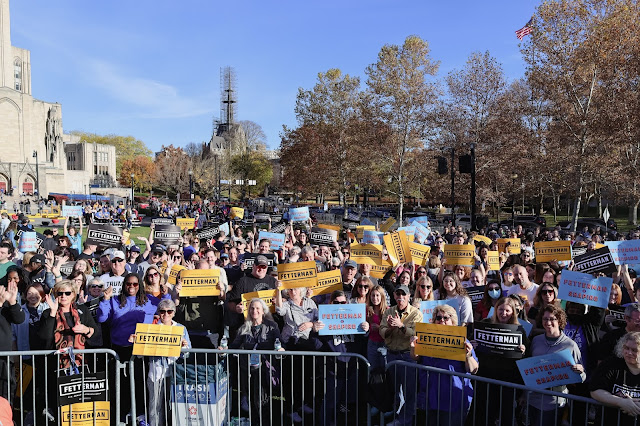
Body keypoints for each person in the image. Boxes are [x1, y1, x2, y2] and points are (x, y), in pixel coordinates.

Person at [410, 304, 478, 426]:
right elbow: (417, 358)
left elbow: (473, 370)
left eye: (446, 318)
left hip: (454, 397)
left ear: (453, 321)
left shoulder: (462, 341)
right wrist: (413, 348)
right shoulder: (426, 338)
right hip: (430, 394)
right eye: (438, 318)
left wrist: (468, 356)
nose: (442, 320)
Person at [315, 290, 370, 425]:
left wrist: (366, 329)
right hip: (332, 369)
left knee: (348, 402)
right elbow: (317, 346)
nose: (339, 305)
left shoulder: (353, 317)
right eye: (336, 302)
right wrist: (315, 332)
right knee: (331, 401)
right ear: (331, 303)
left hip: (351, 367)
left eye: (343, 302)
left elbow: (362, 340)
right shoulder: (324, 320)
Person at [472, 296, 528, 426]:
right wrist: (473, 344)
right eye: (501, 310)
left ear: (513, 312)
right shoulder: (485, 324)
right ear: (496, 310)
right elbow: (471, 346)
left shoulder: (519, 330)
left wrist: (523, 350)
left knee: (506, 414)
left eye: (507, 310)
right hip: (486, 377)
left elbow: (527, 355)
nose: (504, 313)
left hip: (508, 380)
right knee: (485, 413)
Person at [226, 298, 284, 423]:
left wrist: (280, 350)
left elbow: (279, 344)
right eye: (252, 308)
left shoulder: (272, 326)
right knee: (251, 399)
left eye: (258, 308)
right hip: (248, 369)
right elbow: (234, 346)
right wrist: (224, 348)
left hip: (265, 369)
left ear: (263, 311)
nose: (254, 311)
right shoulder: (244, 328)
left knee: (262, 400)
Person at [528, 305, 586, 425]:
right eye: (545, 319)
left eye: (552, 319)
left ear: (559, 321)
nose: (548, 322)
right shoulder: (536, 340)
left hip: (555, 401)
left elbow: (582, 377)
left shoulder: (570, 345)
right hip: (533, 398)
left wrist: (580, 371)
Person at [274, 283, 319, 422]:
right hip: (291, 344)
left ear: (301, 289)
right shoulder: (287, 304)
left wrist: (310, 324)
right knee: (291, 378)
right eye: (290, 289)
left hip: (307, 343)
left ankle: (302, 405)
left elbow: (318, 318)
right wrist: (278, 289)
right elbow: (279, 311)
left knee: (306, 376)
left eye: (295, 288)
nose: (292, 291)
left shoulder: (310, 302)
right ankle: (290, 409)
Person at [380, 284, 423, 425]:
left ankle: (405, 420)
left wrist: (401, 326)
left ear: (409, 296)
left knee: (409, 391)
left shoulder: (416, 313)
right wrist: (391, 329)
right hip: (392, 355)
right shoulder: (389, 311)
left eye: (403, 295)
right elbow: (382, 331)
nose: (400, 298)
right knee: (394, 389)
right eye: (398, 295)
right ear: (394, 296)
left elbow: (416, 333)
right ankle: (395, 414)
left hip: (407, 356)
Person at [143, 299, 190, 426]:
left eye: (169, 311)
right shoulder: (151, 329)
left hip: (175, 372)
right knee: (155, 406)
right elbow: (142, 350)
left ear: (174, 313)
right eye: (163, 311)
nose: (166, 314)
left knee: (175, 405)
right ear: (159, 313)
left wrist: (184, 347)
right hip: (156, 371)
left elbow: (189, 352)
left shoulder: (181, 328)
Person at [591, 331, 640, 425]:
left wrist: (635, 407)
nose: (629, 353)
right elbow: (595, 390)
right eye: (626, 348)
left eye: (634, 350)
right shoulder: (610, 364)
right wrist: (621, 402)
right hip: (608, 421)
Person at [367, 285, 388, 371]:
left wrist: (380, 328)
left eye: (377, 295)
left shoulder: (388, 311)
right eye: (373, 295)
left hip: (384, 344)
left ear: (382, 296)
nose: (375, 298)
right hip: (372, 343)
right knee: (373, 370)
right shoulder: (367, 311)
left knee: (385, 370)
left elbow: (391, 330)